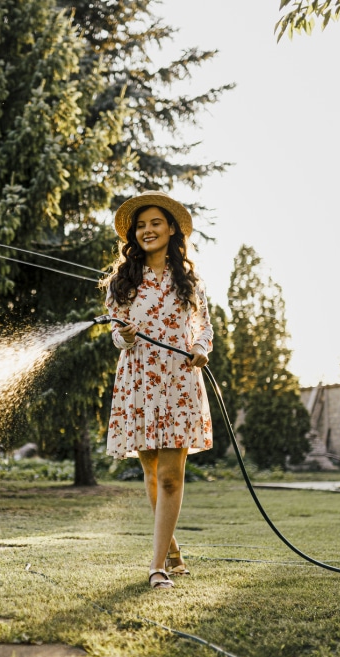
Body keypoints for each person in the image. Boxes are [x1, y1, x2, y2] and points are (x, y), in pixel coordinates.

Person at [102, 192, 213, 590]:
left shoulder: (189, 281)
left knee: (170, 476)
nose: (147, 230)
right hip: (139, 381)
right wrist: (125, 335)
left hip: (180, 382)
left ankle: (157, 567)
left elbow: (204, 328)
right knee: (150, 471)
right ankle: (173, 549)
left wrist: (200, 349)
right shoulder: (122, 282)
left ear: (171, 229)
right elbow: (117, 334)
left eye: (155, 223)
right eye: (141, 225)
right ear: (134, 234)